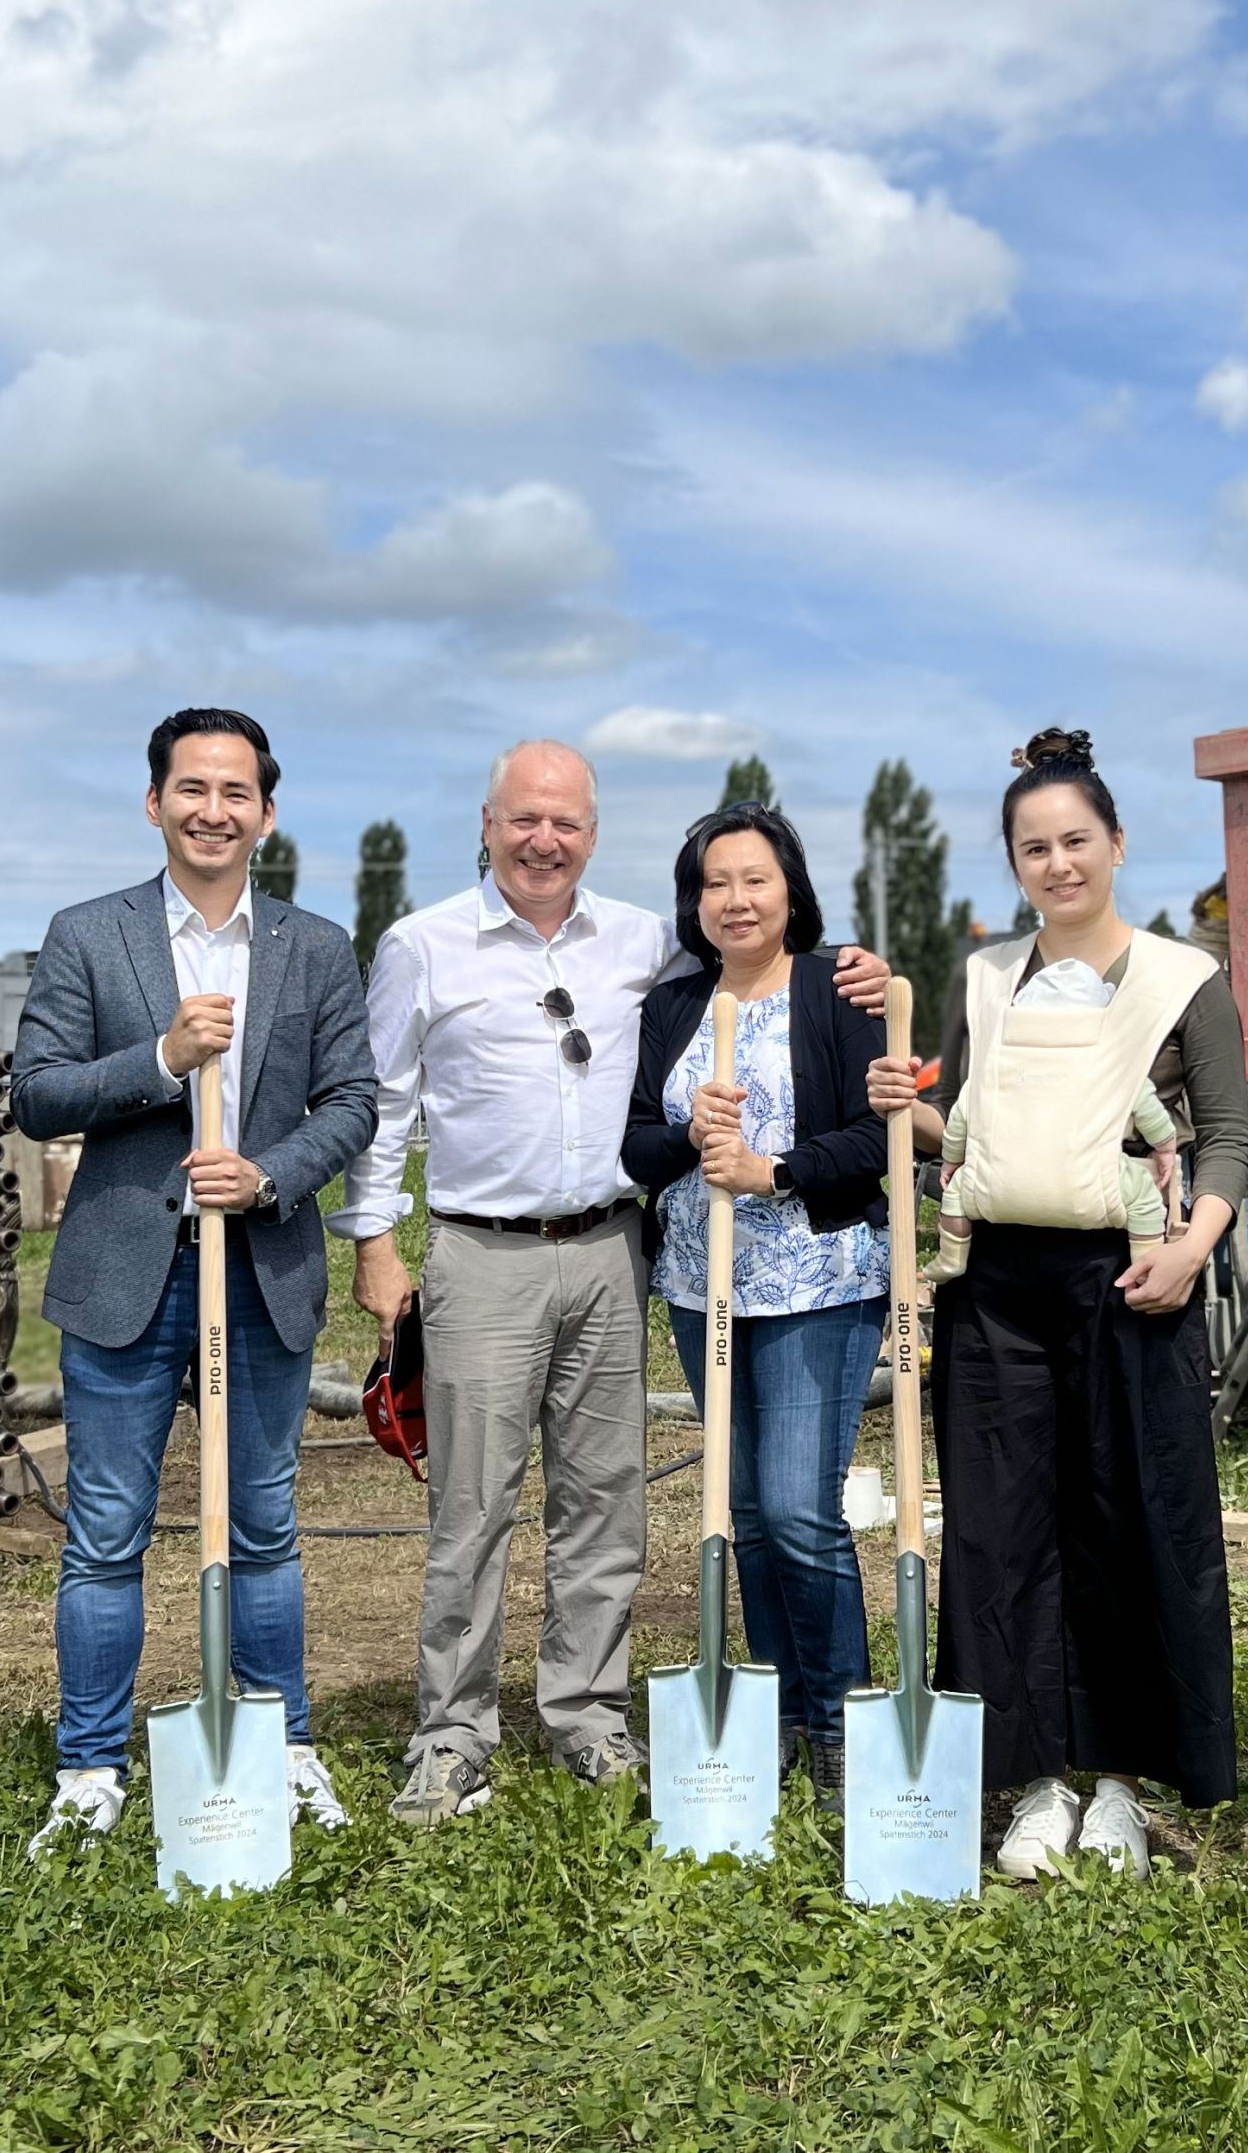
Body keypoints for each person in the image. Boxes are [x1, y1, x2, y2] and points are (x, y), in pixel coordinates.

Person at [336, 742, 885, 1828]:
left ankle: (588, 1715)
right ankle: (453, 1736)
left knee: (605, 1505)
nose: (545, 840)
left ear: (592, 833)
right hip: (479, 1251)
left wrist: (855, 966)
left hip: (611, 1253)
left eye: (568, 824)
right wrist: (371, 1242)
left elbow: (769, 977)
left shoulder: (642, 945)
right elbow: (383, 1100)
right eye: (524, 820)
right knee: (471, 1507)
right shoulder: (422, 945)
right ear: (487, 822)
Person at [8, 708, 380, 1855]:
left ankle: (283, 1744)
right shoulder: (87, 934)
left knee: (264, 1521)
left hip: (259, 1270)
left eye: (235, 793)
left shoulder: (314, 948)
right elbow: (35, 1094)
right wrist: (159, 1062)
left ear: (265, 812)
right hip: (124, 1267)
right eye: (191, 789)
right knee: (107, 1529)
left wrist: (267, 1177)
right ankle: (88, 1766)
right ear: (155, 801)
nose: (212, 810)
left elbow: (353, 1104)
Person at [898, 727, 1248, 1880]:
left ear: (1115, 844)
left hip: (1130, 1281)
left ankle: (1117, 1784)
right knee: (1001, 1530)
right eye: (1032, 847)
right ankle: (1033, 1779)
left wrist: (1192, 1248)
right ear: (1011, 861)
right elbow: (972, 1141)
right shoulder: (984, 976)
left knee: (1127, 1519)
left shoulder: (1180, 978)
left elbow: (1229, 1136)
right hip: (995, 1288)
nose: (1057, 865)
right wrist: (901, 1115)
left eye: (1075, 842)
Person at [621, 801, 919, 1807]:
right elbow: (636, 1148)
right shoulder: (672, 1009)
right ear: (693, 902)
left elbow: (882, 1139)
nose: (735, 899)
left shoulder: (839, 991)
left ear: (789, 890)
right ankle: (780, 1710)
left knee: (797, 1510)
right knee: (741, 1514)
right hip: (701, 1291)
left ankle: (841, 1723)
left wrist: (772, 1169)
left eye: (754, 878)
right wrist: (686, 1135)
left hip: (817, 1285)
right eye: (715, 882)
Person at [936, 1044, 1176, 1282]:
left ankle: (951, 1259)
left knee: (957, 1193)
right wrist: (1164, 1145)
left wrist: (952, 1160)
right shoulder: (1111, 1062)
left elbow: (959, 1119)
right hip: (1092, 1185)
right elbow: (1145, 1105)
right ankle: (1145, 1270)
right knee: (1144, 1197)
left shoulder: (994, 1065)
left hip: (998, 1187)